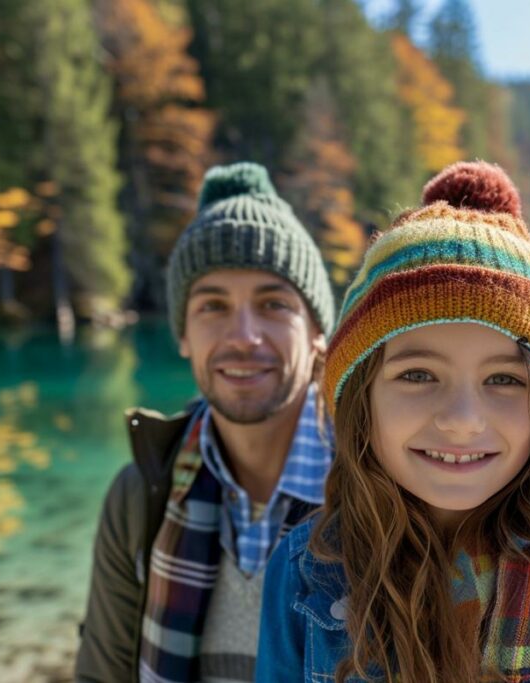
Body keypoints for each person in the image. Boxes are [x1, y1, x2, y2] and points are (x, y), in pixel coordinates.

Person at [257, 161, 530, 683]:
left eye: (505, 380)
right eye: (418, 374)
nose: (462, 421)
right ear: (362, 398)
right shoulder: (307, 569)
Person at [75, 162, 336, 683]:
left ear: (316, 334)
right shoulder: (141, 496)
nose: (243, 336)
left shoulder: (382, 490)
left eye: (273, 304)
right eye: (212, 305)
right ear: (184, 336)